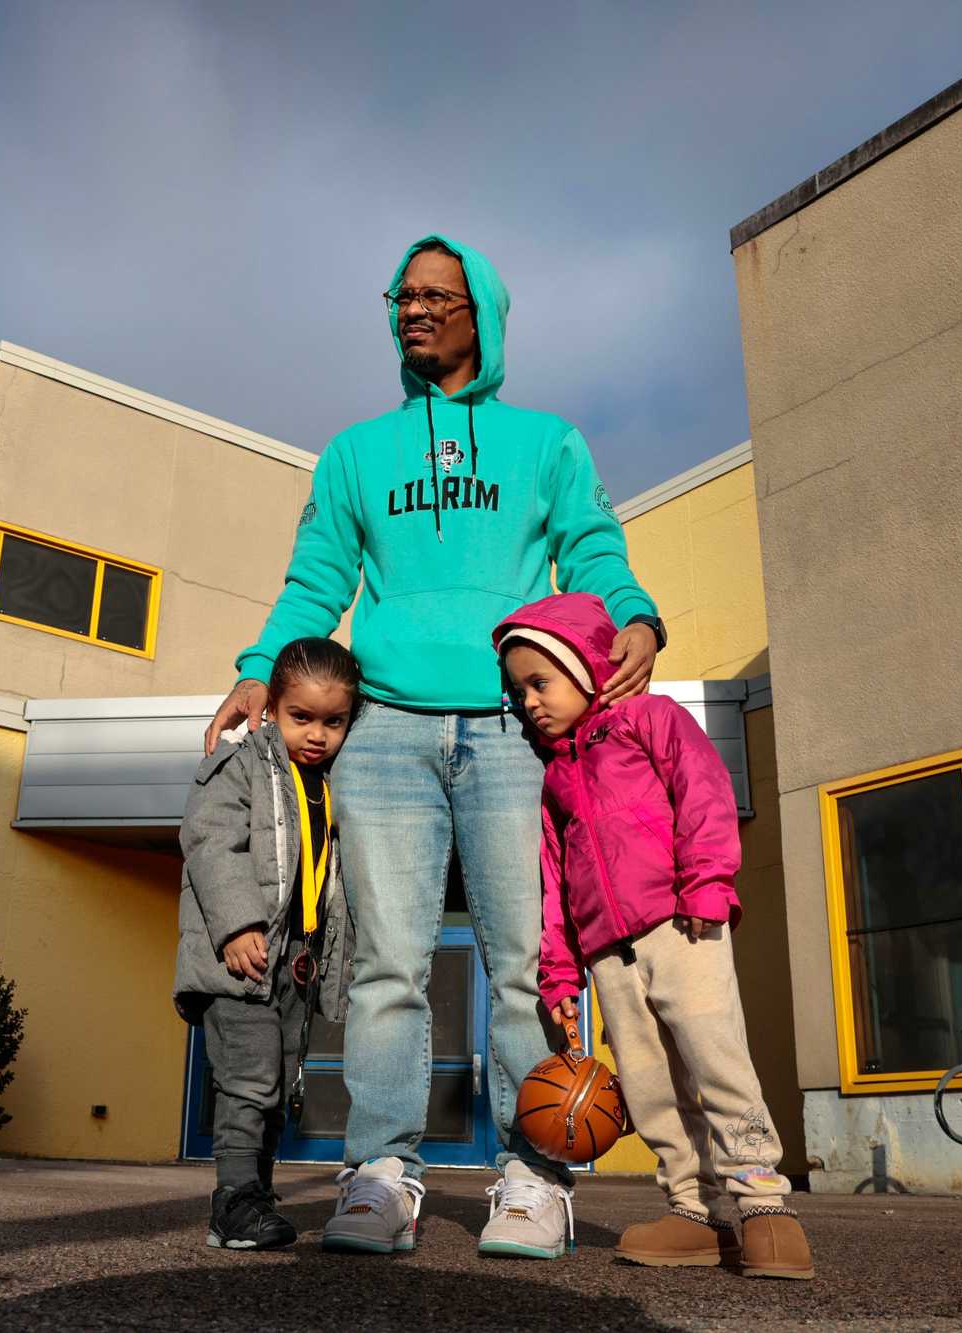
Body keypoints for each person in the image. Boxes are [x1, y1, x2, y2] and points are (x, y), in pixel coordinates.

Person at [204, 235, 666, 1259]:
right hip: (385, 730)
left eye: (434, 298)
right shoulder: (356, 452)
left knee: (524, 964)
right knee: (385, 969)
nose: (412, 311)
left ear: (480, 315)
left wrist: (631, 613)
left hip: (512, 723)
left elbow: (591, 545)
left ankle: (534, 1180)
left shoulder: (546, 442)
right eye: (400, 297)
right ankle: (379, 1172)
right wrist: (259, 661)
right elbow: (317, 573)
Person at [494, 591, 815, 1280]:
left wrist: (707, 882)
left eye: (539, 682)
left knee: (715, 1058)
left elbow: (704, 789)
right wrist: (558, 974)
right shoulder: (554, 781)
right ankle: (691, 1211)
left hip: (682, 923)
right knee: (649, 1085)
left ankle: (763, 1203)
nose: (529, 701)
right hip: (610, 955)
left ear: (586, 667)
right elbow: (554, 886)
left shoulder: (651, 719)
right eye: (518, 690)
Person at [176, 637, 361, 1251]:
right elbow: (211, 844)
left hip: (294, 967)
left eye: (334, 721)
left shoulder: (334, 783)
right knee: (249, 1080)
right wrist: (236, 926)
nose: (317, 734)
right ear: (270, 707)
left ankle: (255, 1195)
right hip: (242, 958)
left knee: (279, 1086)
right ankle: (231, 1203)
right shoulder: (242, 764)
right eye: (300, 717)